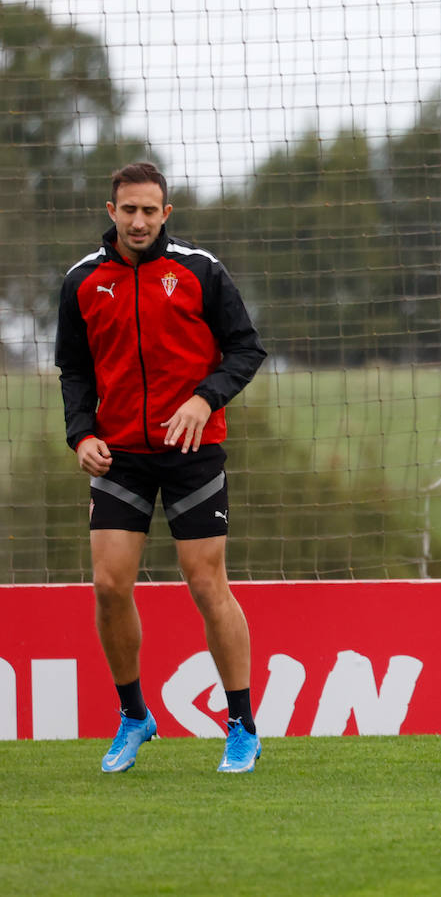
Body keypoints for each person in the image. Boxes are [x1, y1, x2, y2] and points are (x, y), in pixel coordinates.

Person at [55, 162, 268, 773]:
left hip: (191, 452)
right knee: (108, 585)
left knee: (205, 583)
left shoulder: (201, 271)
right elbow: (74, 370)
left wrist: (205, 399)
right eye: (129, 210)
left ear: (166, 213)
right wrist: (81, 434)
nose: (139, 221)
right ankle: (134, 716)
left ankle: (242, 726)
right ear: (111, 211)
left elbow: (246, 348)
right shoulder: (82, 282)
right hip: (119, 456)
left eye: (150, 210)